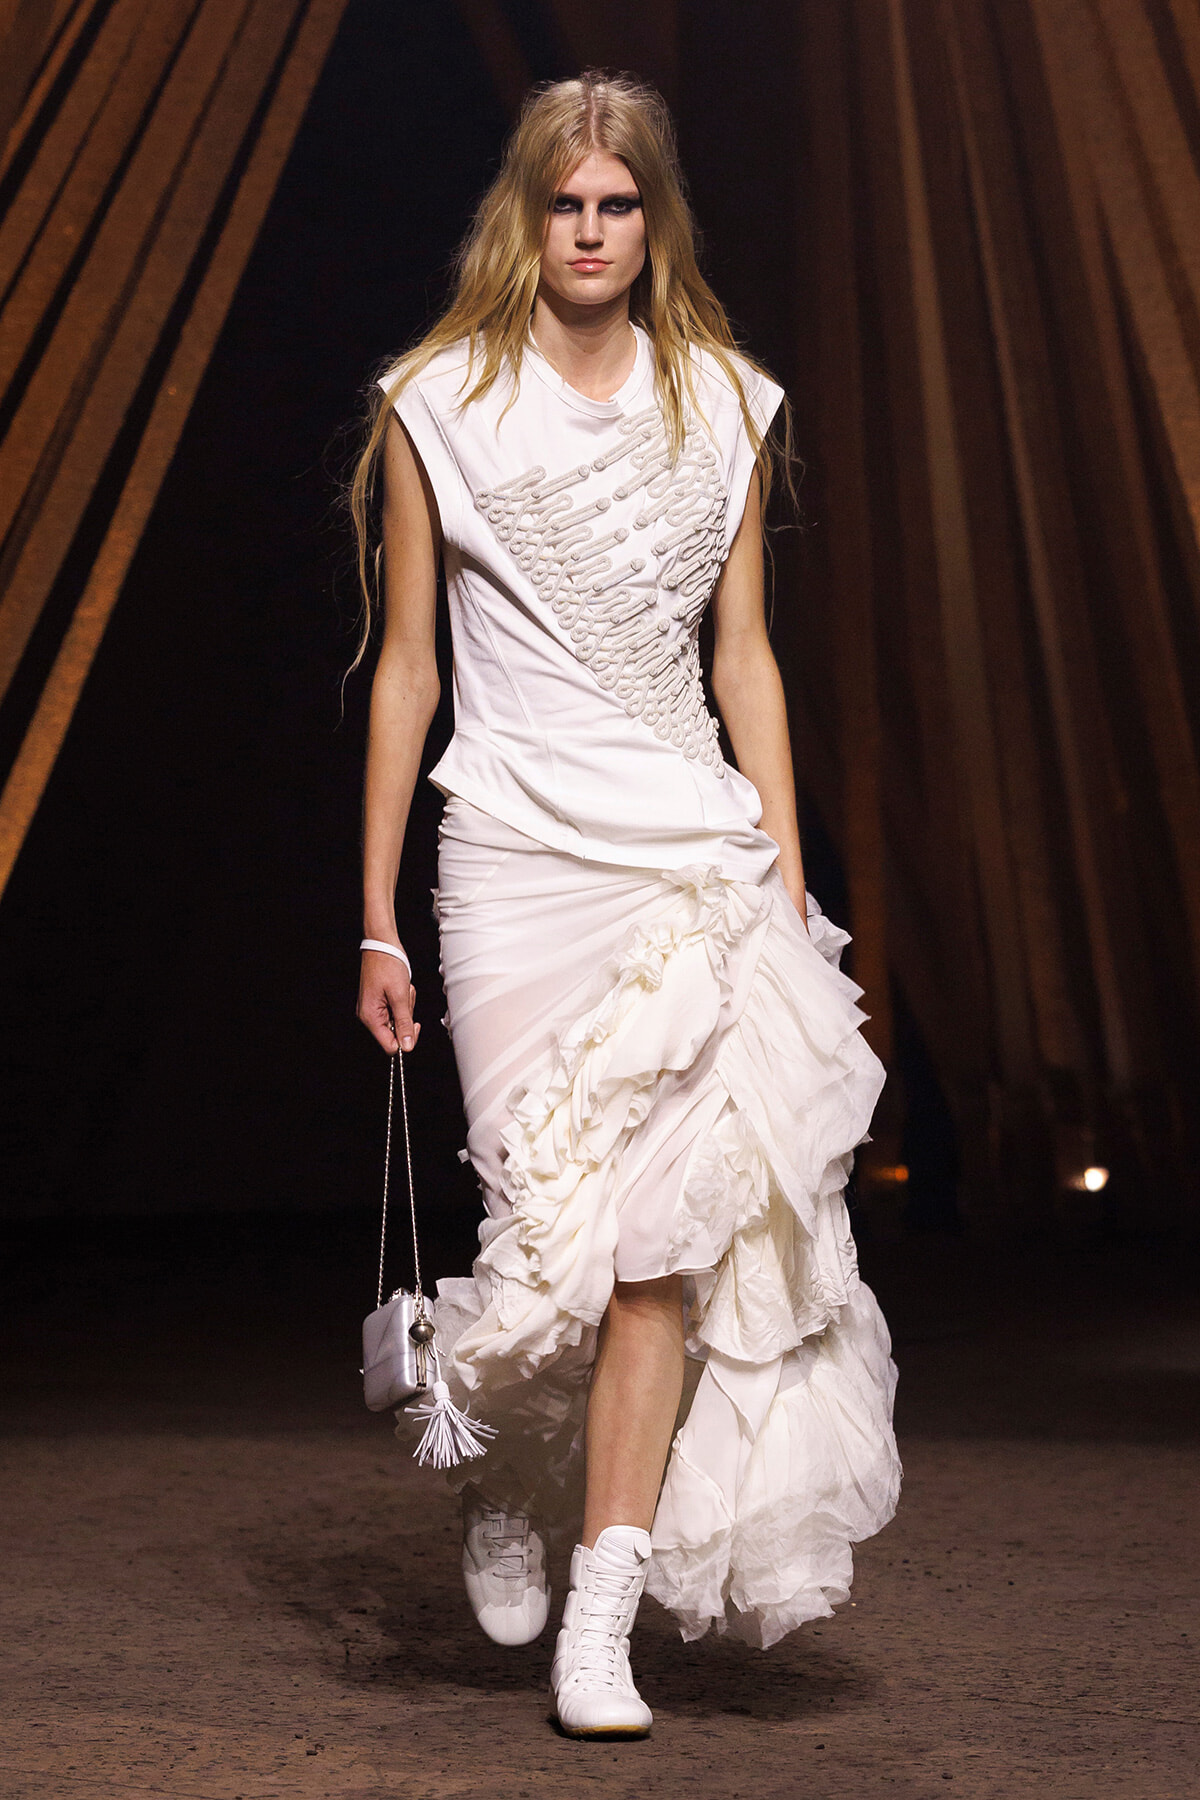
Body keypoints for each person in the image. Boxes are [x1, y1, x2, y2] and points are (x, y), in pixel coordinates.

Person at [352, 71, 900, 1740]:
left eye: (619, 204)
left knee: (662, 1253)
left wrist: (790, 893)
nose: (589, 231)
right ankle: (507, 1477)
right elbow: (405, 671)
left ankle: (604, 1615)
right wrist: (372, 913)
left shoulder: (726, 402)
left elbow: (748, 662)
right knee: (552, 1249)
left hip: (688, 865)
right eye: (564, 204)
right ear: (525, 218)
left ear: (654, 222)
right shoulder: (437, 402)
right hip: (510, 861)